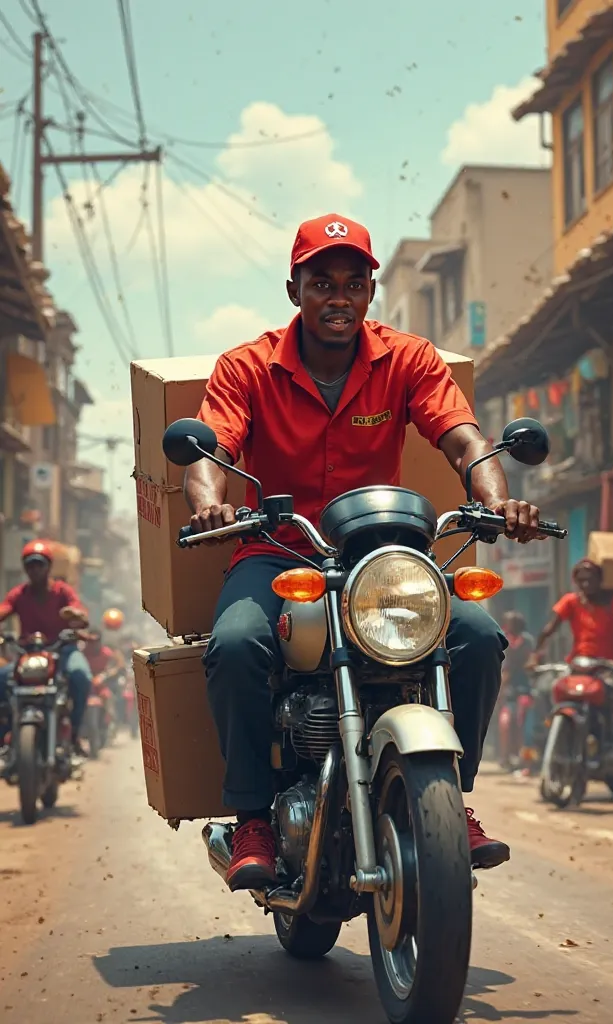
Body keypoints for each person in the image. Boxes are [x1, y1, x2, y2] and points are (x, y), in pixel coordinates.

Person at [186, 212, 544, 891]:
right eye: (323, 283)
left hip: (377, 561)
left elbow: (466, 439)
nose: (340, 299)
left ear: (371, 292)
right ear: (295, 290)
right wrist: (209, 500)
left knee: (474, 632)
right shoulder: (247, 366)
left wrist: (497, 499)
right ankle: (254, 816)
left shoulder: (406, 358)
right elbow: (210, 449)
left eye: (355, 284)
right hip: (279, 554)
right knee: (234, 643)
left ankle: (447, 795)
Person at [0, 540, 92, 755]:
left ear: (48, 567)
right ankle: (5, 736)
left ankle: (75, 734)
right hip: (28, 653)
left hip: (62, 650)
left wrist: (76, 616)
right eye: (30, 565)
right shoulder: (19, 594)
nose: (34, 570)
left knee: (81, 676)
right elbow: (5, 608)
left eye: (39, 565)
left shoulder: (62, 591)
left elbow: (79, 611)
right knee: (2, 679)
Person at [530, 559, 613, 671]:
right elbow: (549, 630)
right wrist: (534, 657)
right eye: (581, 580)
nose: (586, 584)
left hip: (610, 667)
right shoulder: (570, 601)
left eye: (590, 579)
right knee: (548, 686)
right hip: (578, 665)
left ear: (600, 579)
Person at [500, 611, 536, 771]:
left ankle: (526, 762)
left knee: (524, 725)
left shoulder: (527, 641)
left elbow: (533, 660)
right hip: (509, 691)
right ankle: (506, 757)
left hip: (525, 689)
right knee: (505, 722)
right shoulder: (504, 640)